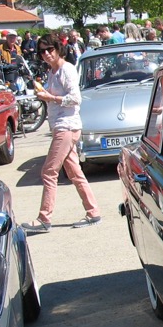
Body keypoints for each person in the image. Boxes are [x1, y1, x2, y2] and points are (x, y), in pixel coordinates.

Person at [21, 33, 102, 233]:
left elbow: (75, 99)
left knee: (48, 172)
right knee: (75, 173)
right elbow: (55, 97)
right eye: (42, 51)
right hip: (61, 126)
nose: (47, 54)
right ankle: (93, 212)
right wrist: (44, 95)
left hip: (67, 126)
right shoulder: (52, 72)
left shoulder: (67, 70)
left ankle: (44, 218)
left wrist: (50, 97)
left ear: (58, 49)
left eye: (50, 49)